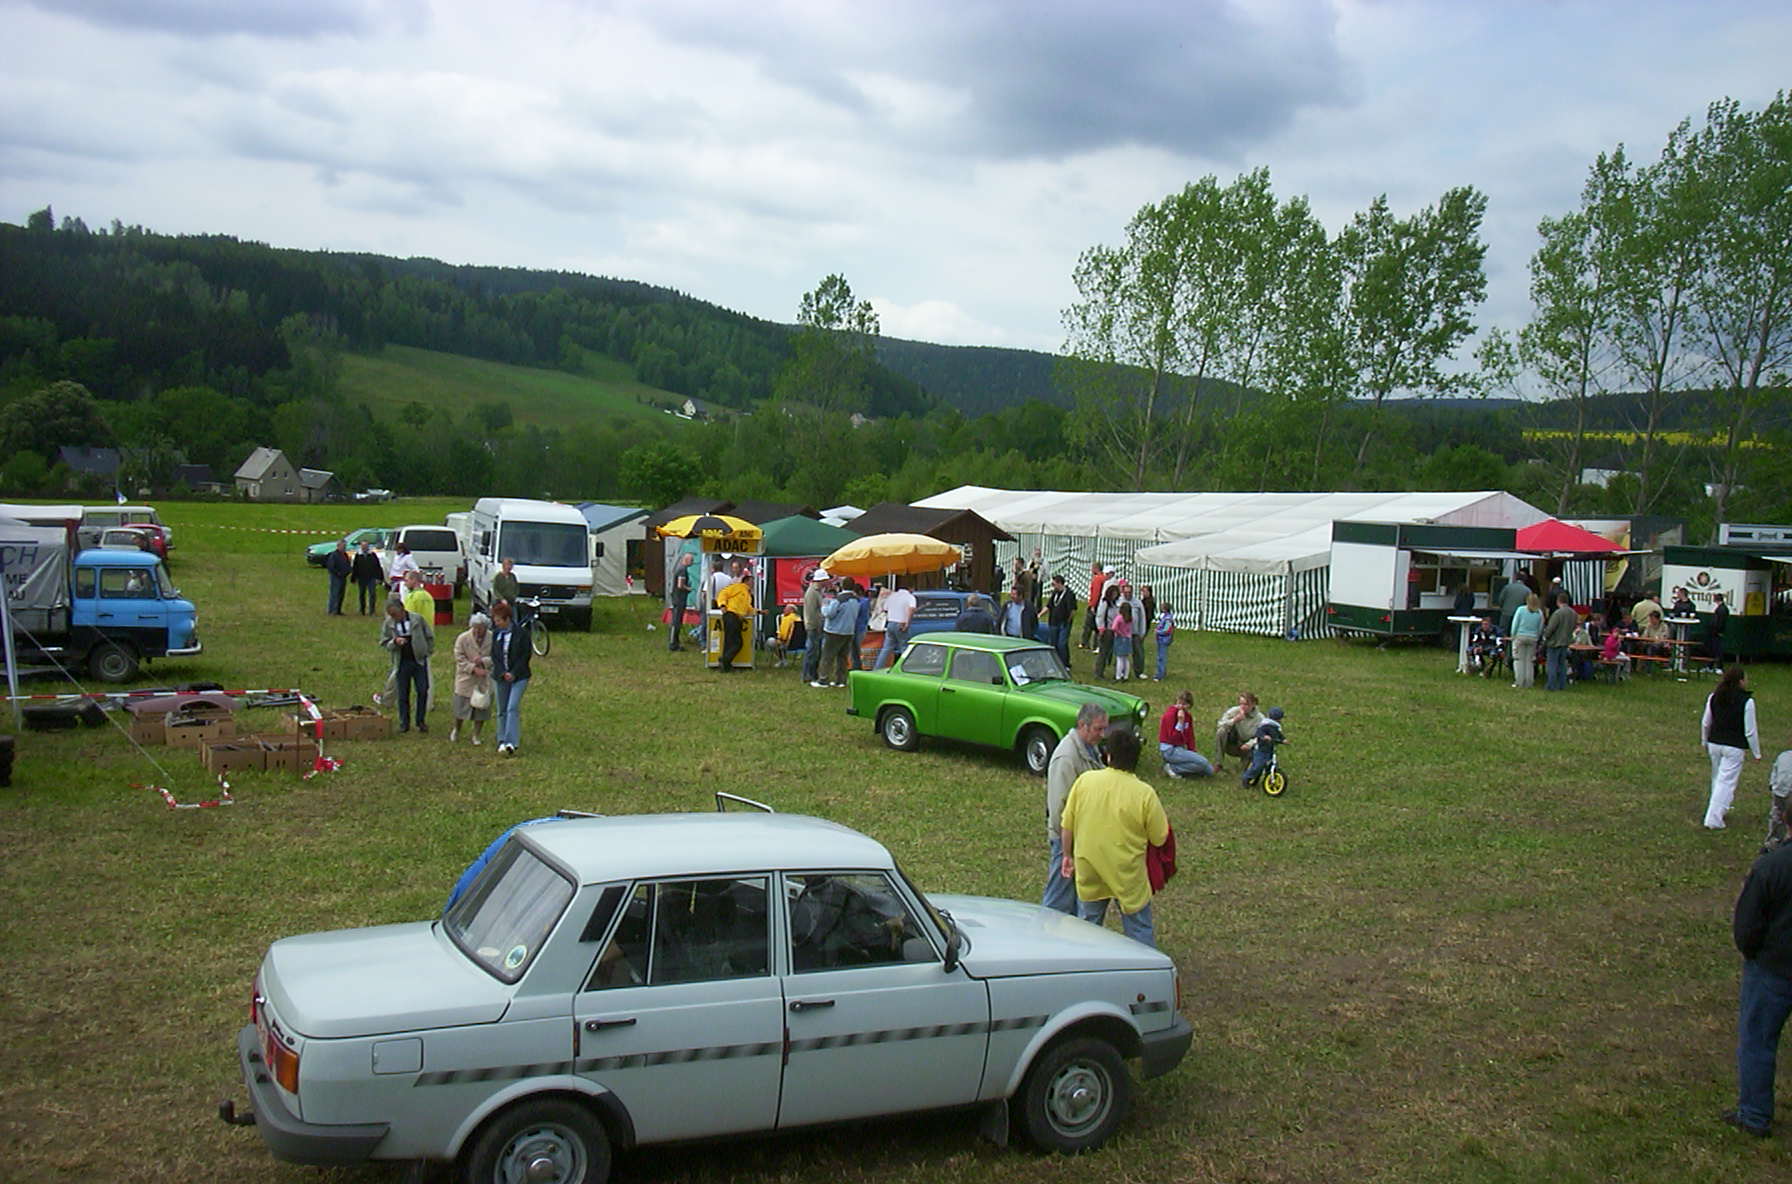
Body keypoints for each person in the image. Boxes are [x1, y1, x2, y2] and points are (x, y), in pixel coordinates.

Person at [1059, 724, 1171, 947]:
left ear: (1108, 755)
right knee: (1139, 931)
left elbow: (1067, 826)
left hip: (1090, 869)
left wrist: (1066, 855)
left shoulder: (1085, 782)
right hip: (1127, 875)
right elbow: (1160, 837)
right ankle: (1143, 965)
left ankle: (1086, 963)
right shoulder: (1144, 794)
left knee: (1087, 929)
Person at [1726, 835, 1792, 1138]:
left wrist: (1754, 953)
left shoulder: (1770, 867)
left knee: (1758, 1041)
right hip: (1773, 966)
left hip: (1773, 968)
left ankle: (1754, 1114)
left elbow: (1747, 925)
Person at [1043, 703, 1107, 915]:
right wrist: (1066, 847)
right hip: (1066, 840)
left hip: (1081, 838)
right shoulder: (1066, 758)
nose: (1102, 734)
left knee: (1070, 899)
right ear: (1082, 725)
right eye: (1098, 729)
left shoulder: (1089, 748)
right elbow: (1058, 807)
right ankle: (1045, 931)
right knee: (1057, 902)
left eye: (1104, 728)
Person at [1703, 666, 1762, 830]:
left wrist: (1704, 740)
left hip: (1714, 743)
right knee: (1726, 782)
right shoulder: (1747, 701)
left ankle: (1719, 808)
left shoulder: (1714, 697)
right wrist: (1756, 752)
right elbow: (1750, 731)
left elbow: (1706, 722)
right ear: (1741, 681)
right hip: (1734, 746)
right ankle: (1714, 818)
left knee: (1717, 777)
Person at [379, 595, 433, 734]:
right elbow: (384, 642)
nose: (394, 617)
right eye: (391, 615)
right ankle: (404, 723)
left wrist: (427, 651)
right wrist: (394, 642)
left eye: (395, 614)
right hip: (402, 661)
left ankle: (420, 721)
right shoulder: (389, 624)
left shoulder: (417, 619)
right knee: (403, 694)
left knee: (422, 690)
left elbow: (428, 635)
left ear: (402, 609)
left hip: (418, 661)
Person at [489, 598, 534, 756]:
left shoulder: (521, 634)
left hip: (519, 676)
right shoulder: (496, 634)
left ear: (507, 619)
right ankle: (501, 739)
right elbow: (495, 655)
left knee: (512, 707)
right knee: (501, 709)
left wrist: (513, 673)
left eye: (498, 621)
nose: (496, 624)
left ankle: (511, 742)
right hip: (501, 676)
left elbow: (525, 655)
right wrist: (502, 672)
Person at [449, 612, 492, 745]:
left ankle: (476, 735)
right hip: (465, 678)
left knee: (481, 707)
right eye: (475, 628)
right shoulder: (462, 638)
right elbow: (459, 657)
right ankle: (456, 729)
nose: (478, 631)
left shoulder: (492, 638)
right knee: (461, 706)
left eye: (480, 628)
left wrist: (484, 661)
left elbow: (497, 657)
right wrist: (472, 668)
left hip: (484, 678)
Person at [1159, 691, 1212, 779]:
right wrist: (1180, 722)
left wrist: (1192, 751)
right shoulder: (1170, 715)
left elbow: (1190, 736)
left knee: (1209, 770)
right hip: (1170, 749)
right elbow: (1172, 739)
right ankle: (1173, 768)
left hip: (1180, 748)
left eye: (1184, 704)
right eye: (1179, 703)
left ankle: (1178, 765)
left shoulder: (1188, 716)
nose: (1181, 707)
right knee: (1203, 763)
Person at [814, 579, 857, 688]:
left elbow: (829, 613)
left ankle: (823, 680)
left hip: (834, 631)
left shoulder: (839, 599)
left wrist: (824, 605)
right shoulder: (856, 599)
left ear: (842, 586)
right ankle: (841, 680)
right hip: (849, 631)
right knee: (842, 657)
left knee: (827, 657)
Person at [1214, 691, 1265, 772]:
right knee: (1221, 731)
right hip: (1232, 743)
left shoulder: (1260, 718)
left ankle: (1247, 764)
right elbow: (1220, 724)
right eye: (1241, 704)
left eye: (1246, 704)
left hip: (1247, 747)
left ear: (1253, 704)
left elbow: (1262, 735)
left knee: (1244, 771)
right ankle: (1218, 763)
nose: (1243, 707)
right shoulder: (1234, 711)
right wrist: (1234, 720)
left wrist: (1249, 744)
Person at [715, 564, 754, 672]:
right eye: (752, 581)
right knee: (737, 643)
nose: (753, 584)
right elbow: (723, 593)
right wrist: (722, 605)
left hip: (736, 618)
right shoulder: (738, 587)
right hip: (731, 616)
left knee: (730, 641)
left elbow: (748, 608)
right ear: (747, 581)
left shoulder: (747, 595)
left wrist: (759, 612)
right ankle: (724, 660)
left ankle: (725, 666)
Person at [873, 581, 916, 669]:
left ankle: (877, 668)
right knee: (904, 647)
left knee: (886, 648)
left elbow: (885, 608)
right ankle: (905, 668)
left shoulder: (892, 596)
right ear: (910, 588)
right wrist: (907, 623)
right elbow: (911, 609)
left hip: (890, 623)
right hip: (901, 623)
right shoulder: (910, 597)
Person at [1542, 591, 1579, 692]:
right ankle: (1561, 684)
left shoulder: (1557, 613)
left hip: (1554, 642)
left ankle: (1551, 685)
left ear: (1558, 601)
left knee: (1552, 665)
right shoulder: (1573, 613)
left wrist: (1545, 636)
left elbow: (1551, 628)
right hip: (1566, 642)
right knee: (1562, 665)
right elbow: (1574, 627)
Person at [1242, 707, 1287, 788]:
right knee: (1258, 765)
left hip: (1270, 749)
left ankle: (1269, 776)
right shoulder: (1265, 725)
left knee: (1271, 764)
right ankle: (1247, 777)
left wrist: (1283, 739)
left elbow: (1279, 735)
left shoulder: (1276, 727)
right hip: (1261, 749)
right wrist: (1264, 736)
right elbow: (1259, 732)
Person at [1510, 592, 1544, 689]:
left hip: (1520, 636)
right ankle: (1529, 682)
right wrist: (1537, 636)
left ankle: (1519, 682)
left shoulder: (1521, 609)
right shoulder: (1539, 613)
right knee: (1529, 661)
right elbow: (1540, 627)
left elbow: (1515, 624)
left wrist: (1513, 635)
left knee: (1518, 660)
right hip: (1533, 638)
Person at [801, 569, 829, 685]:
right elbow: (812, 612)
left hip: (816, 625)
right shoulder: (812, 592)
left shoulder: (817, 591)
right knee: (812, 651)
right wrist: (816, 626)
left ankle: (812, 674)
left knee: (815, 651)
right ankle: (808, 675)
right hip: (814, 626)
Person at [1766, 741, 1792, 853]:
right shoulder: (1783, 756)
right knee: (1778, 816)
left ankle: (1774, 842)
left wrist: (1773, 784)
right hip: (1781, 792)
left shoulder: (1783, 756)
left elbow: (1774, 771)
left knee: (1777, 816)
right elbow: (1775, 770)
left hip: (1780, 791)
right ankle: (1774, 842)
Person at [1092, 584, 1122, 679]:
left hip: (1117, 631)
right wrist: (1101, 628)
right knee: (1103, 652)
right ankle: (1099, 672)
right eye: (1113, 594)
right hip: (1107, 631)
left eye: (1116, 594)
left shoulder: (1118, 604)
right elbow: (1100, 616)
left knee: (1116, 652)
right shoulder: (1105, 603)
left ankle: (1118, 673)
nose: (1114, 596)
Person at [1045, 574, 1077, 665]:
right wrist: (1039, 614)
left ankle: (1065, 662)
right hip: (1053, 622)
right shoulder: (1055, 593)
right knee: (1053, 643)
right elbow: (1049, 606)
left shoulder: (1069, 594)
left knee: (1061, 644)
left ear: (1059, 583)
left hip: (1064, 623)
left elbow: (1073, 610)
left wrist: (1068, 621)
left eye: (1054, 584)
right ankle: (1055, 662)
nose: (1053, 586)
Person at [666, 553, 693, 651]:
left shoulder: (680, 568)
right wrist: (688, 589)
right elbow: (680, 585)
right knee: (676, 621)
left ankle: (675, 642)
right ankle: (673, 643)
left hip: (677, 598)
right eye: (691, 560)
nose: (693, 562)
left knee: (677, 620)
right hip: (679, 598)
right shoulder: (682, 570)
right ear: (686, 560)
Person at [351, 540, 384, 615]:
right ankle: (362, 610)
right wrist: (354, 578)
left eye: (366, 546)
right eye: (363, 546)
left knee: (372, 594)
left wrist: (379, 578)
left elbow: (377, 566)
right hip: (361, 578)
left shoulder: (372, 555)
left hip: (371, 577)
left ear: (368, 546)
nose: (364, 547)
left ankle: (372, 610)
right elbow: (355, 567)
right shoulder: (358, 555)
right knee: (361, 594)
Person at [1081, 563, 1108, 650]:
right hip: (1101, 604)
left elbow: (1096, 593)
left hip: (1095, 604)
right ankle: (1096, 645)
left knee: (1088, 625)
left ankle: (1084, 643)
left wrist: (1093, 605)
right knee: (1098, 626)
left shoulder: (1097, 579)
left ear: (1096, 569)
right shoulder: (1104, 578)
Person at [849, 582, 875, 670]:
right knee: (854, 650)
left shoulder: (863, 601)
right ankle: (855, 666)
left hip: (859, 628)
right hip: (857, 627)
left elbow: (859, 611)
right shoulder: (863, 601)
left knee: (857, 649)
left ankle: (858, 667)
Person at [324, 540, 351, 615]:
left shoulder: (345, 555)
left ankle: (338, 610)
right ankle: (331, 610)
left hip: (343, 577)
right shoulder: (334, 555)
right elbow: (331, 566)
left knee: (341, 594)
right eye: (343, 546)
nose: (344, 548)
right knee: (334, 593)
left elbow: (347, 564)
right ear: (338, 546)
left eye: (345, 546)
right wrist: (338, 573)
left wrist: (348, 571)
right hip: (335, 577)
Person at [769, 603, 801, 667]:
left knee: (770, 641)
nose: (784, 610)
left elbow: (784, 634)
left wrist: (780, 639)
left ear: (792, 610)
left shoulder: (788, 618)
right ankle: (783, 660)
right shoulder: (798, 618)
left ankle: (782, 660)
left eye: (786, 609)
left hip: (787, 642)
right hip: (798, 644)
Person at [1705, 592, 1731, 670]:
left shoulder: (1721, 609)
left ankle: (1718, 667)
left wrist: (1717, 631)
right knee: (1714, 650)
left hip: (1716, 633)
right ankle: (1712, 666)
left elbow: (1720, 622)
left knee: (1717, 650)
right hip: (1716, 632)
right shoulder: (1722, 608)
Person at [1112, 602, 1135, 681]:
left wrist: (1119, 633)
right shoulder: (1130, 618)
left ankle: (1118, 676)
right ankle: (1126, 676)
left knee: (1119, 658)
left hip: (1120, 638)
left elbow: (1114, 628)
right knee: (1126, 658)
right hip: (1127, 638)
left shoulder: (1119, 618)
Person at [1153, 601, 1174, 682]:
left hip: (1163, 639)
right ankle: (1162, 672)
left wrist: (1158, 631)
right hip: (1161, 639)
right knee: (1160, 656)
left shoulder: (1168, 619)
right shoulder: (1165, 617)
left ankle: (1160, 674)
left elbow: (1166, 630)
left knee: (1161, 657)